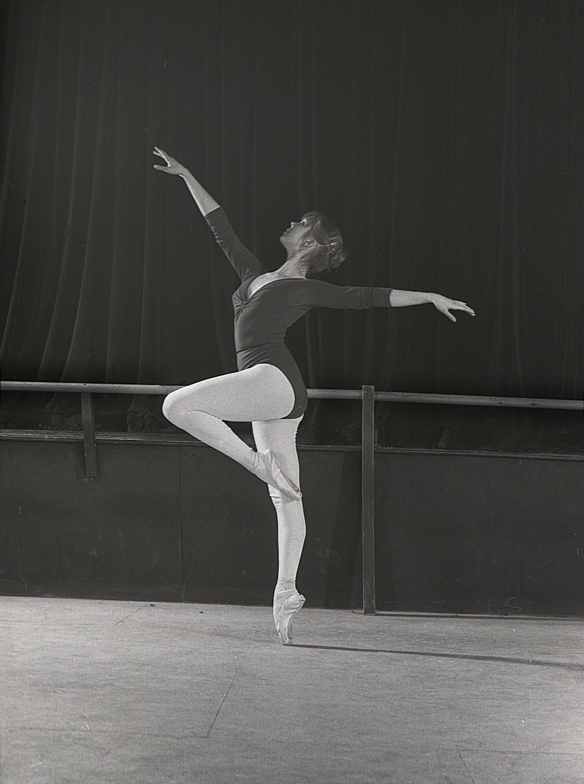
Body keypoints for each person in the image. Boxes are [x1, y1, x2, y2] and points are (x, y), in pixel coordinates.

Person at [153, 147, 475, 645]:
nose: (290, 223)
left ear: (310, 241)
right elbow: (220, 226)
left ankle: (256, 464)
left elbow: (367, 297)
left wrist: (429, 296)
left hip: (272, 380)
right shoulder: (254, 273)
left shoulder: (307, 289)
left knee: (177, 405)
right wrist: (187, 176)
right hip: (274, 394)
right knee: (287, 497)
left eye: (300, 222)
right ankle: (286, 595)